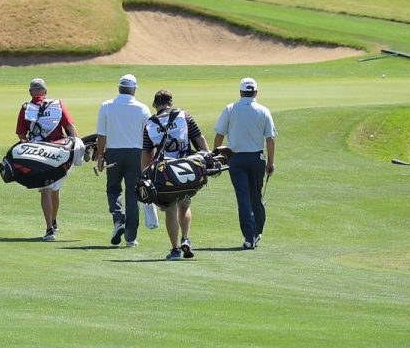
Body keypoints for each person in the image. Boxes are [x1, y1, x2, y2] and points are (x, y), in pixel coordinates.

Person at [141, 89, 208, 261]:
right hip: (187, 169)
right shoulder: (185, 116)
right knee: (184, 204)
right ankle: (185, 238)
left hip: (165, 173)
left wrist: (145, 176)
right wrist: (208, 158)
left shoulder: (150, 124)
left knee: (170, 209)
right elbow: (199, 140)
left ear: (155, 105)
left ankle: (175, 249)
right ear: (170, 102)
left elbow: (147, 153)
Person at [213, 77, 277, 250]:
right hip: (256, 159)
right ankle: (257, 231)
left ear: (241, 92)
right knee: (255, 196)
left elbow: (219, 136)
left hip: (236, 159)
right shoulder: (264, 111)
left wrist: (216, 158)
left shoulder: (230, 109)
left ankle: (249, 237)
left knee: (243, 198)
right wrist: (271, 163)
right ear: (255, 92)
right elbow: (270, 140)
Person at [15, 78, 77, 241]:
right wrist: (76, 146)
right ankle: (53, 222)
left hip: (38, 153)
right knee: (54, 188)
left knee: (45, 189)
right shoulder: (58, 104)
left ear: (30, 92)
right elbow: (70, 129)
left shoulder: (26, 108)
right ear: (46, 92)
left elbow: (21, 134)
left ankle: (49, 228)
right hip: (59, 152)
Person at [94, 74, 151, 248]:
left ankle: (119, 219)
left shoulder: (106, 106)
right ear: (134, 90)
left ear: (119, 88)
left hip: (114, 154)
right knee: (133, 194)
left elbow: (101, 135)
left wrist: (100, 155)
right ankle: (130, 238)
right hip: (136, 154)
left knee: (113, 189)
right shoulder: (143, 109)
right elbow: (148, 136)